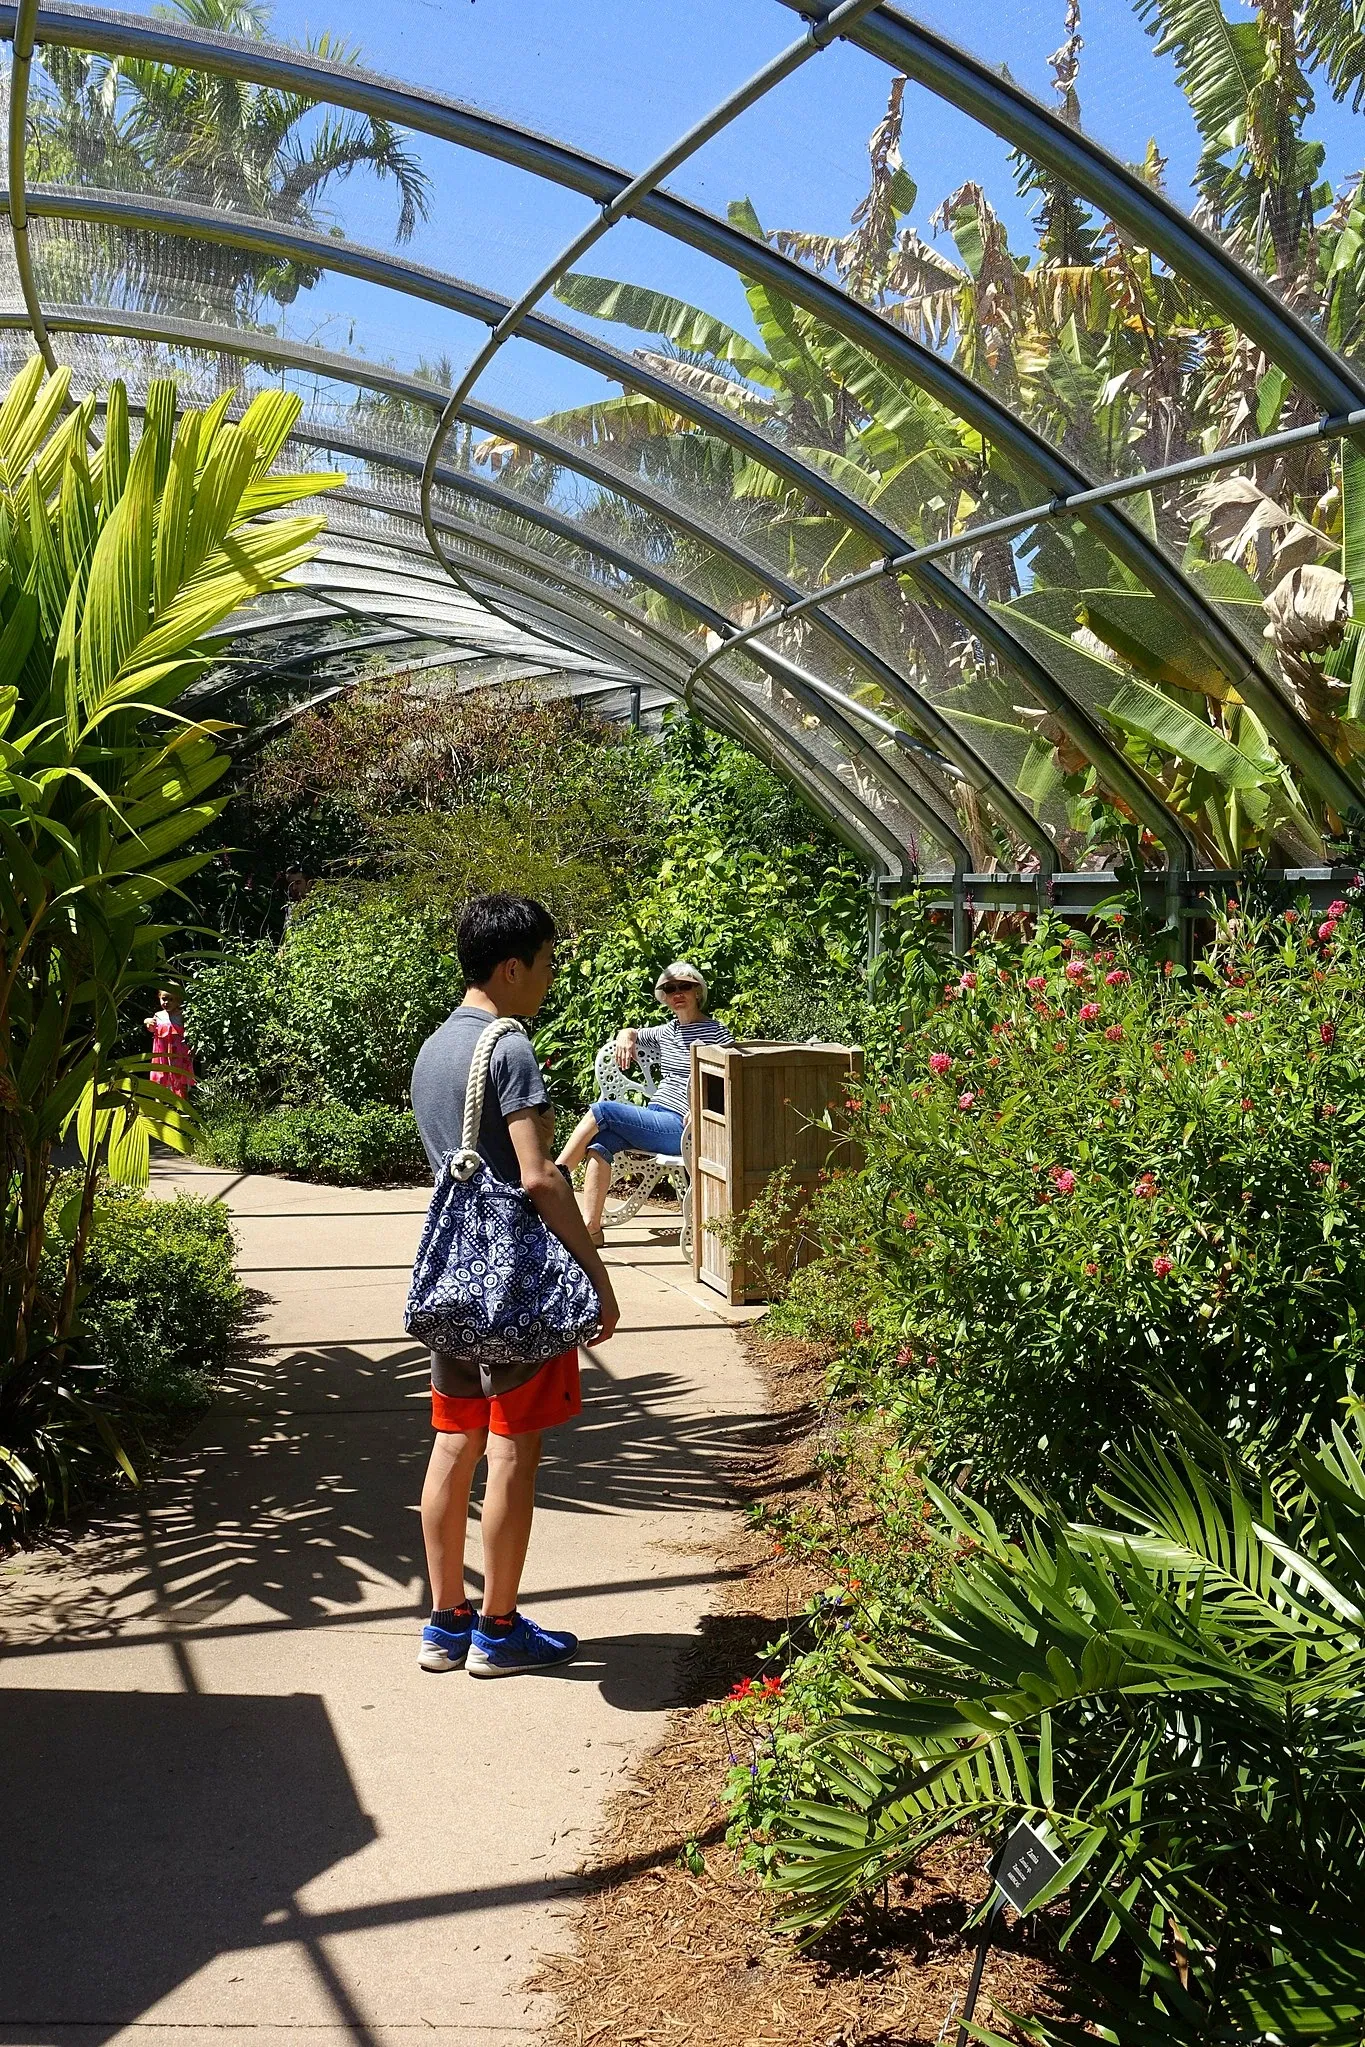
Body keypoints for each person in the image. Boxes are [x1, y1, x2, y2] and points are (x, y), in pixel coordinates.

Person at [409, 893, 619, 1679]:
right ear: (511, 966)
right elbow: (538, 1176)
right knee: (511, 1454)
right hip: (515, 1288)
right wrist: (595, 1276)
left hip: (452, 1279)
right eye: (547, 961)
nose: (551, 976)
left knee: (451, 1442)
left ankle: (444, 1620)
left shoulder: (433, 1047)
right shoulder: (510, 1046)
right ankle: (498, 1630)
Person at [556, 961, 732, 1243]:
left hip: (683, 1127)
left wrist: (701, 1109)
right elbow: (633, 1032)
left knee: (602, 1112)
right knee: (603, 1142)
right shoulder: (666, 1032)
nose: (677, 992)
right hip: (657, 1117)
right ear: (664, 997)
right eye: (669, 988)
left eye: (684, 986)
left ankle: (556, 1176)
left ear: (698, 991)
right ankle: (591, 1229)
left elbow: (728, 1078)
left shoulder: (716, 1033)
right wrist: (625, 1035)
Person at [144, 986, 195, 1099]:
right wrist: (147, 1022)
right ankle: (160, 1104)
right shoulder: (158, 1015)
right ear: (159, 998)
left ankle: (182, 1105)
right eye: (164, 998)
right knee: (161, 1076)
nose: (167, 1002)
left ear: (178, 1001)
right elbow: (152, 1029)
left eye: (171, 999)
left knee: (180, 1077)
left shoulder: (182, 1015)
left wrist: (192, 1047)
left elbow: (190, 1032)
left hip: (178, 1054)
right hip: (162, 1054)